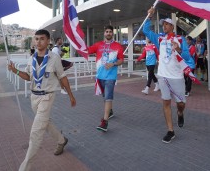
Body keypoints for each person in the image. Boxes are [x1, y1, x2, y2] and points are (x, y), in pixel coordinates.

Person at [7, 29, 76, 171]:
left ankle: (25, 167)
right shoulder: (31, 58)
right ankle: (61, 140)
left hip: (47, 96)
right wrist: (16, 71)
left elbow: (62, 77)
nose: (38, 42)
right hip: (34, 97)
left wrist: (70, 95)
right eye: (36, 39)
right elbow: (29, 77)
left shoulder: (54, 58)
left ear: (48, 41)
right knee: (45, 123)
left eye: (42, 39)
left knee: (36, 132)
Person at [143, 7, 195, 143]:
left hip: (177, 77)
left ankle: (180, 113)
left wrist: (178, 49)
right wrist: (149, 16)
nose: (164, 26)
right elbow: (146, 31)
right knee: (166, 102)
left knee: (181, 103)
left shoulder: (180, 39)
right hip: (163, 76)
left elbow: (187, 57)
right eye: (163, 24)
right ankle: (170, 131)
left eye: (166, 24)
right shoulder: (159, 39)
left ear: (172, 26)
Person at [88, 25, 124, 132]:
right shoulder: (98, 45)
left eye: (110, 32)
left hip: (111, 77)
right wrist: (77, 43)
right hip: (100, 76)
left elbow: (121, 60)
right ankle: (110, 111)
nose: (108, 33)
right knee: (105, 97)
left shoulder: (117, 46)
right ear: (104, 33)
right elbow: (87, 50)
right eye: (107, 31)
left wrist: (113, 64)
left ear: (112, 33)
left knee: (108, 97)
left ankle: (105, 122)